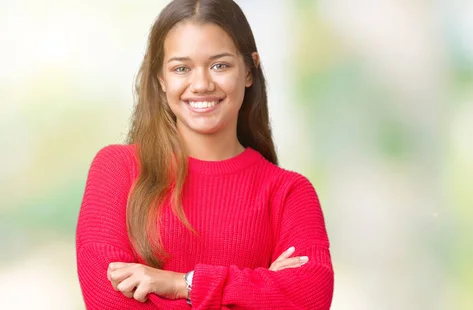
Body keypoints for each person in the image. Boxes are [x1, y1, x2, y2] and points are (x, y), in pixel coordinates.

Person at [75, 0, 334, 309]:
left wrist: (180, 284)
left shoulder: (289, 193)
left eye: (219, 65)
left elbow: (310, 297)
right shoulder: (118, 170)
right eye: (181, 68)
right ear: (161, 79)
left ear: (249, 70)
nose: (201, 84)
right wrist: (259, 288)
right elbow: (108, 303)